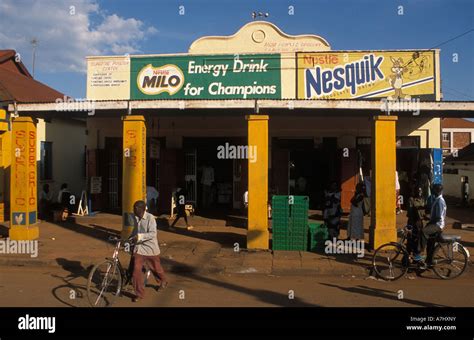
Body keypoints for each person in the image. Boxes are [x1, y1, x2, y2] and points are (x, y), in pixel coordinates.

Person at [130, 200, 168, 302]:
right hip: (139, 249)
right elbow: (135, 230)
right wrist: (129, 239)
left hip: (150, 248)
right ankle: (139, 293)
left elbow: (152, 234)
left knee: (156, 269)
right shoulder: (135, 218)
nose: (134, 210)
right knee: (136, 271)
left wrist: (140, 236)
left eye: (136, 208)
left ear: (142, 209)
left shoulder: (150, 218)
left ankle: (163, 280)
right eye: (134, 207)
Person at [414, 184, 446, 264]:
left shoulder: (439, 202)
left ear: (437, 191)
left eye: (434, 190)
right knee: (430, 243)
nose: (433, 192)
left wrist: (428, 218)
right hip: (434, 223)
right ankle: (429, 261)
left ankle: (419, 253)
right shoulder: (436, 199)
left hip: (437, 225)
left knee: (424, 232)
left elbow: (438, 217)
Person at [406, 185, 426, 255]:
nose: (420, 192)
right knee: (410, 239)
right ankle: (407, 257)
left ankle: (416, 256)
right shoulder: (411, 199)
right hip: (412, 222)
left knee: (418, 240)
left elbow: (423, 211)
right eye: (418, 191)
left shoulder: (422, 199)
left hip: (419, 222)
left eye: (420, 191)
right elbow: (410, 212)